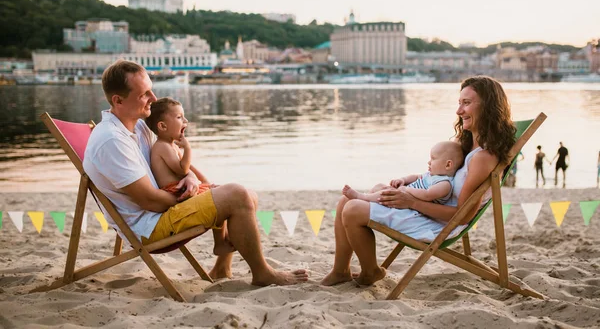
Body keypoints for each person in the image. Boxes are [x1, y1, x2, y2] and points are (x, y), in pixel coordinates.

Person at [83, 60, 308, 286]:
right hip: (150, 226)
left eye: (151, 89)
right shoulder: (112, 141)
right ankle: (263, 273)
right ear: (118, 100)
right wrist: (188, 196)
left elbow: (173, 159)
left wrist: (190, 177)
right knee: (238, 195)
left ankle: (222, 268)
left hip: (161, 210)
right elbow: (149, 200)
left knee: (249, 195)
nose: (153, 98)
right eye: (144, 94)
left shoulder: (139, 127)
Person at [321, 76, 515, 286]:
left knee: (352, 210)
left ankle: (371, 272)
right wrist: (408, 187)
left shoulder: (482, 158)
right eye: (459, 103)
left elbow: (463, 216)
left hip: (437, 223)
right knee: (344, 202)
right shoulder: (465, 145)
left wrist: (411, 202)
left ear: (488, 107)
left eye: (466, 103)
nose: (459, 111)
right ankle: (340, 271)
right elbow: (435, 178)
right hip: (425, 208)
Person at [145, 96, 232, 256]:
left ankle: (221, 242)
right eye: (179, 117)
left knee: (220, 192)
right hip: (176, 192)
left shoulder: (170, 145)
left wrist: (202, 180)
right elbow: (182, 170)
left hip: (182, 190)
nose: (185, 121)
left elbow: (187, 170)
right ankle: (220, 243)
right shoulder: (162, 147)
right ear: (163, 126)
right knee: (223, 198)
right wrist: (188, 149)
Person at [342, 141, 464, 205]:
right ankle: (370, 198)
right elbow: (416, 176)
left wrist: (407, 190)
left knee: (386, 192)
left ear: (448, 165)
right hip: (404, 193)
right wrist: (403, 180)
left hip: (408, 201)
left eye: (433, 159)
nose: (429, 162)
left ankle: (362, 197)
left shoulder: (444, 184)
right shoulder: (432, 175)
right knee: (379, 186)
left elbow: (427, 195)